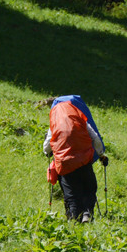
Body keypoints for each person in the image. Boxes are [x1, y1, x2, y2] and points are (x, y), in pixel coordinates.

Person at [43, 95, 107, 223]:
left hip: (65, 165)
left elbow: (47, 147)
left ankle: (73, 223)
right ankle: (87, 214)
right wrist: (101, 155)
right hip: (84, 161)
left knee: (71, 196)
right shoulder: (79, 117)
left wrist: (48, 152)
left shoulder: (54, 123)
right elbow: (95, 138)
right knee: (90, 189)